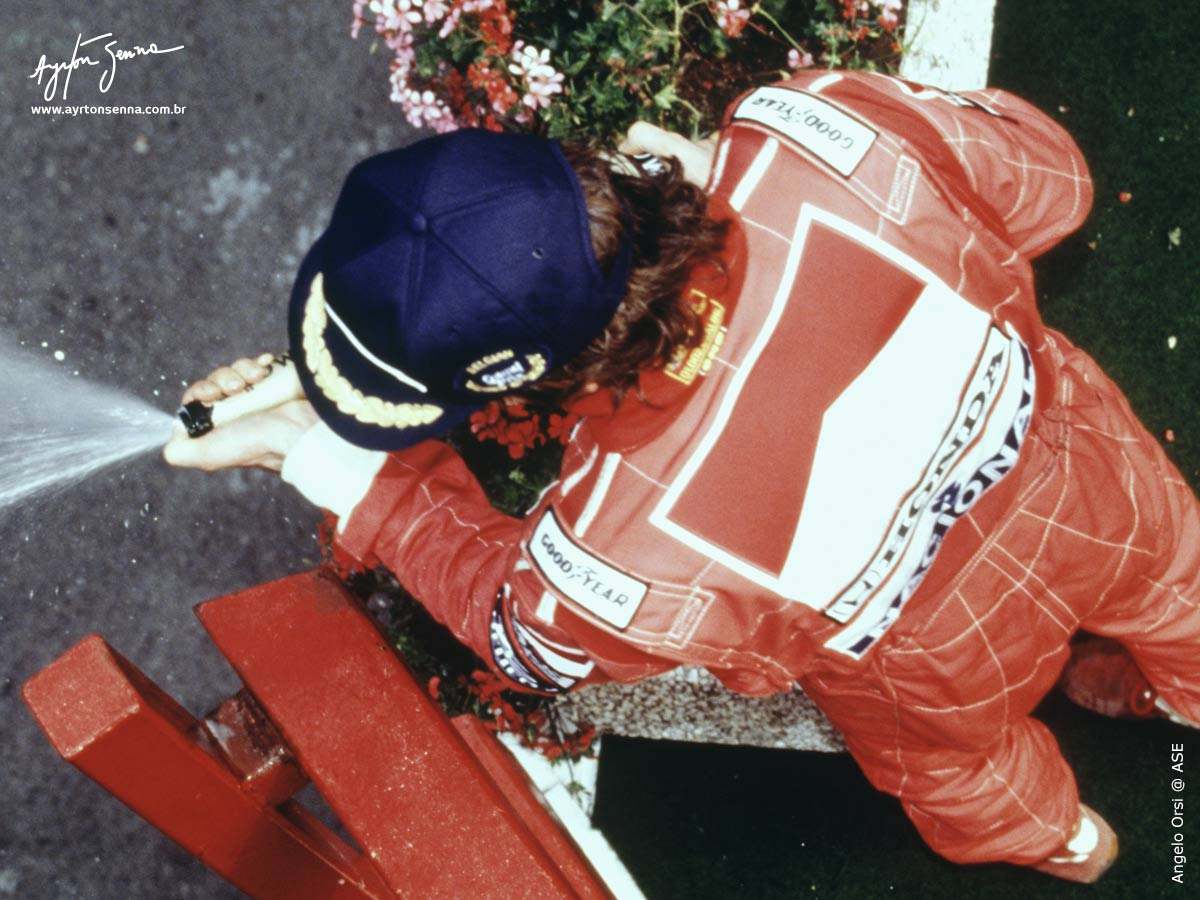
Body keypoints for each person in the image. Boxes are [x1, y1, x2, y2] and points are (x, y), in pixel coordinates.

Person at [164, 69, 1200, 883]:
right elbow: (1053, 180)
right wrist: (735, 167)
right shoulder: (816, 129)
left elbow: (519, 631)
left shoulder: (610, 547)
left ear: (534, 381)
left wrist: (317, 454)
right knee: (1180, 588)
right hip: (1092, 478)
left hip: (930, 665)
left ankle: (1069, 841)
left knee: (961, 773)